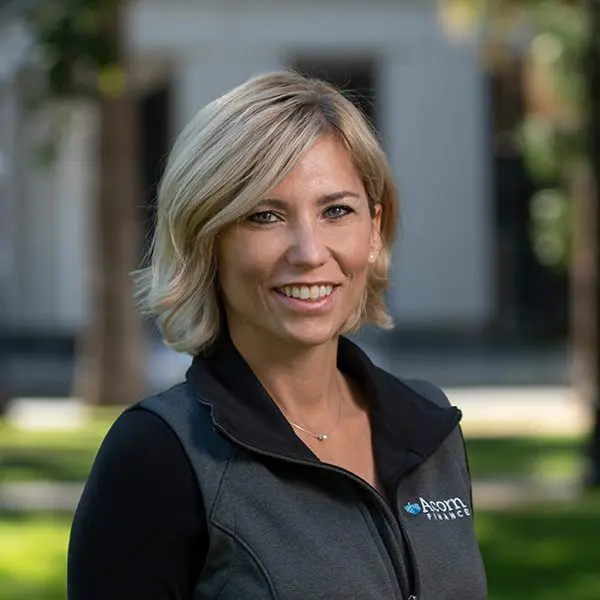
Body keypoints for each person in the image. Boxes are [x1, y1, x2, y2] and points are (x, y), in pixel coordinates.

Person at [67, 71, 487, 600]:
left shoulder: (431, 428)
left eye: (336, 211)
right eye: (264, 216)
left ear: (374, 230)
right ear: (207, 240)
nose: (309, 252)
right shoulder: (157, 455)